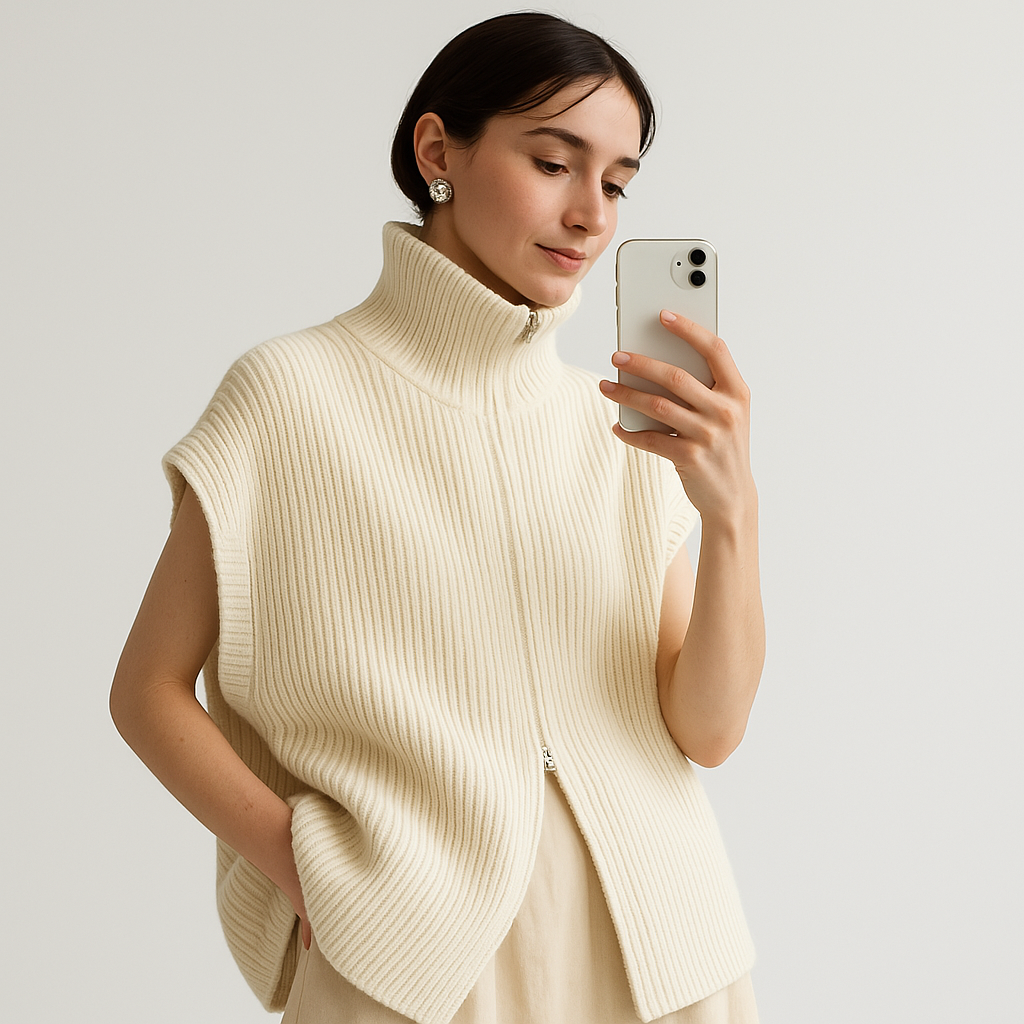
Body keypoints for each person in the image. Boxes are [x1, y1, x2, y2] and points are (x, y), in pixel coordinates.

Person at [110, 12, 765, 1024]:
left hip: (664, 953)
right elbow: (147, 689)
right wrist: (302, 866)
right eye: (554, 162)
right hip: (410, 959)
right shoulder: (289, 395)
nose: (589, 215)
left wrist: (731, 513)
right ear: (437, 152)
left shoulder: (616, 431)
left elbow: (707, 731)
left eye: (616, 183)